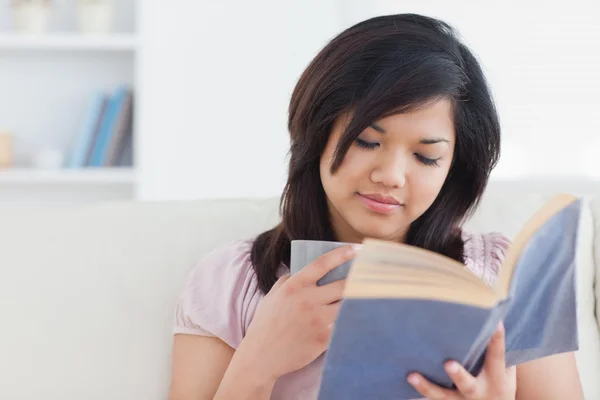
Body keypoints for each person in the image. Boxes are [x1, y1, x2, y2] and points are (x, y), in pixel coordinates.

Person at [168, 13, 584, 400]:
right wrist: (258, 363)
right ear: (317, 134)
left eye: (426, 157)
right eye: (367, 142)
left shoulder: (506, 273)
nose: (391, 175)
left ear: (454, 166)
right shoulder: (232, 283)